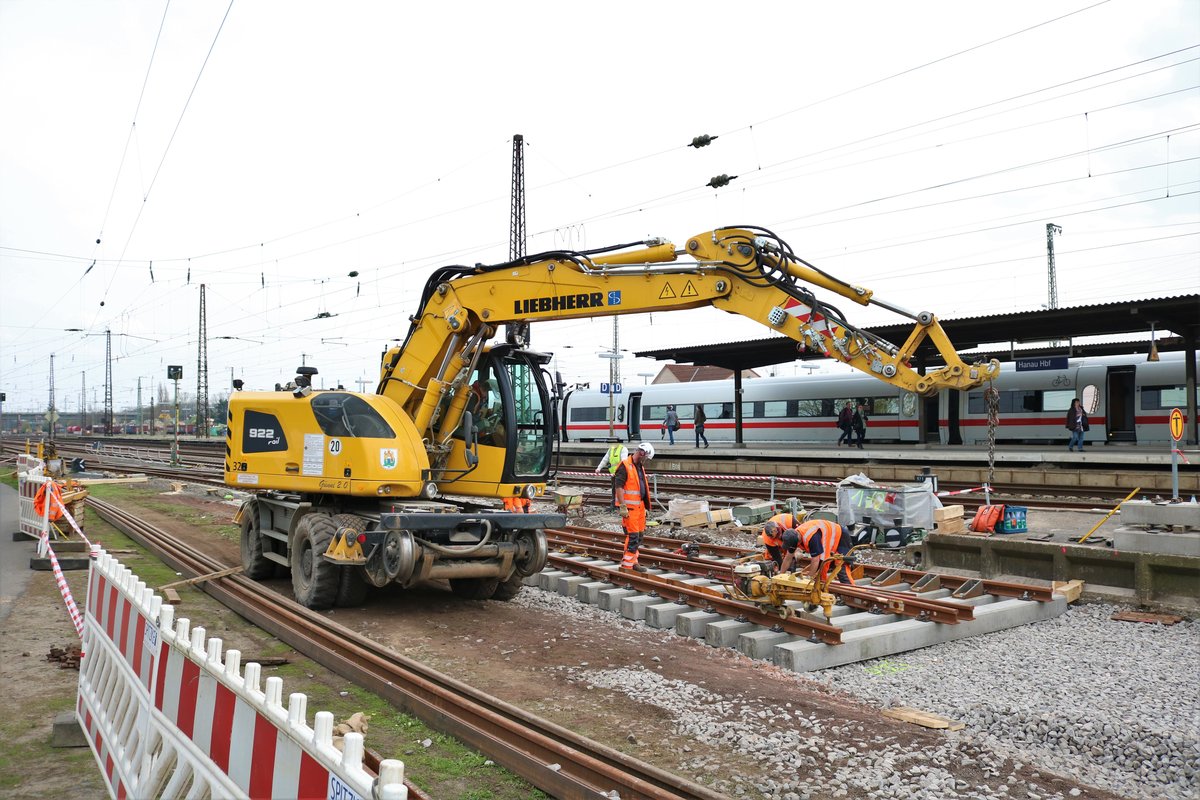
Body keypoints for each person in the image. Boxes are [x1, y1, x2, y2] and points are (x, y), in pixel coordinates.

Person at [612, 442, 655, 572]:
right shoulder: (625, 466)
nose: (646, 460)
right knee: (633, 537)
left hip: (639, 508)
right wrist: (622, 506)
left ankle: (633, 561)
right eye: (646, 457)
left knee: (639, 536)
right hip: (630, 508)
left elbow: (640, 487)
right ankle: (627, 566)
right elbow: (618, 487)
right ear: (642, 453)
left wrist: (645, 507)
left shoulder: (639, 466)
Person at [788, 518, 853, 582]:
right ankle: (821, 583)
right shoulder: (793, 535)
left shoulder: (812, 537)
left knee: (840, 564)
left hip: (841, 536)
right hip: (828, 536)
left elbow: (817, 560)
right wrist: (782, 575)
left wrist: (808, 579)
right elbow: (787, 558)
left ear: (798, 541)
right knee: (819, 569)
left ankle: (849, 587)